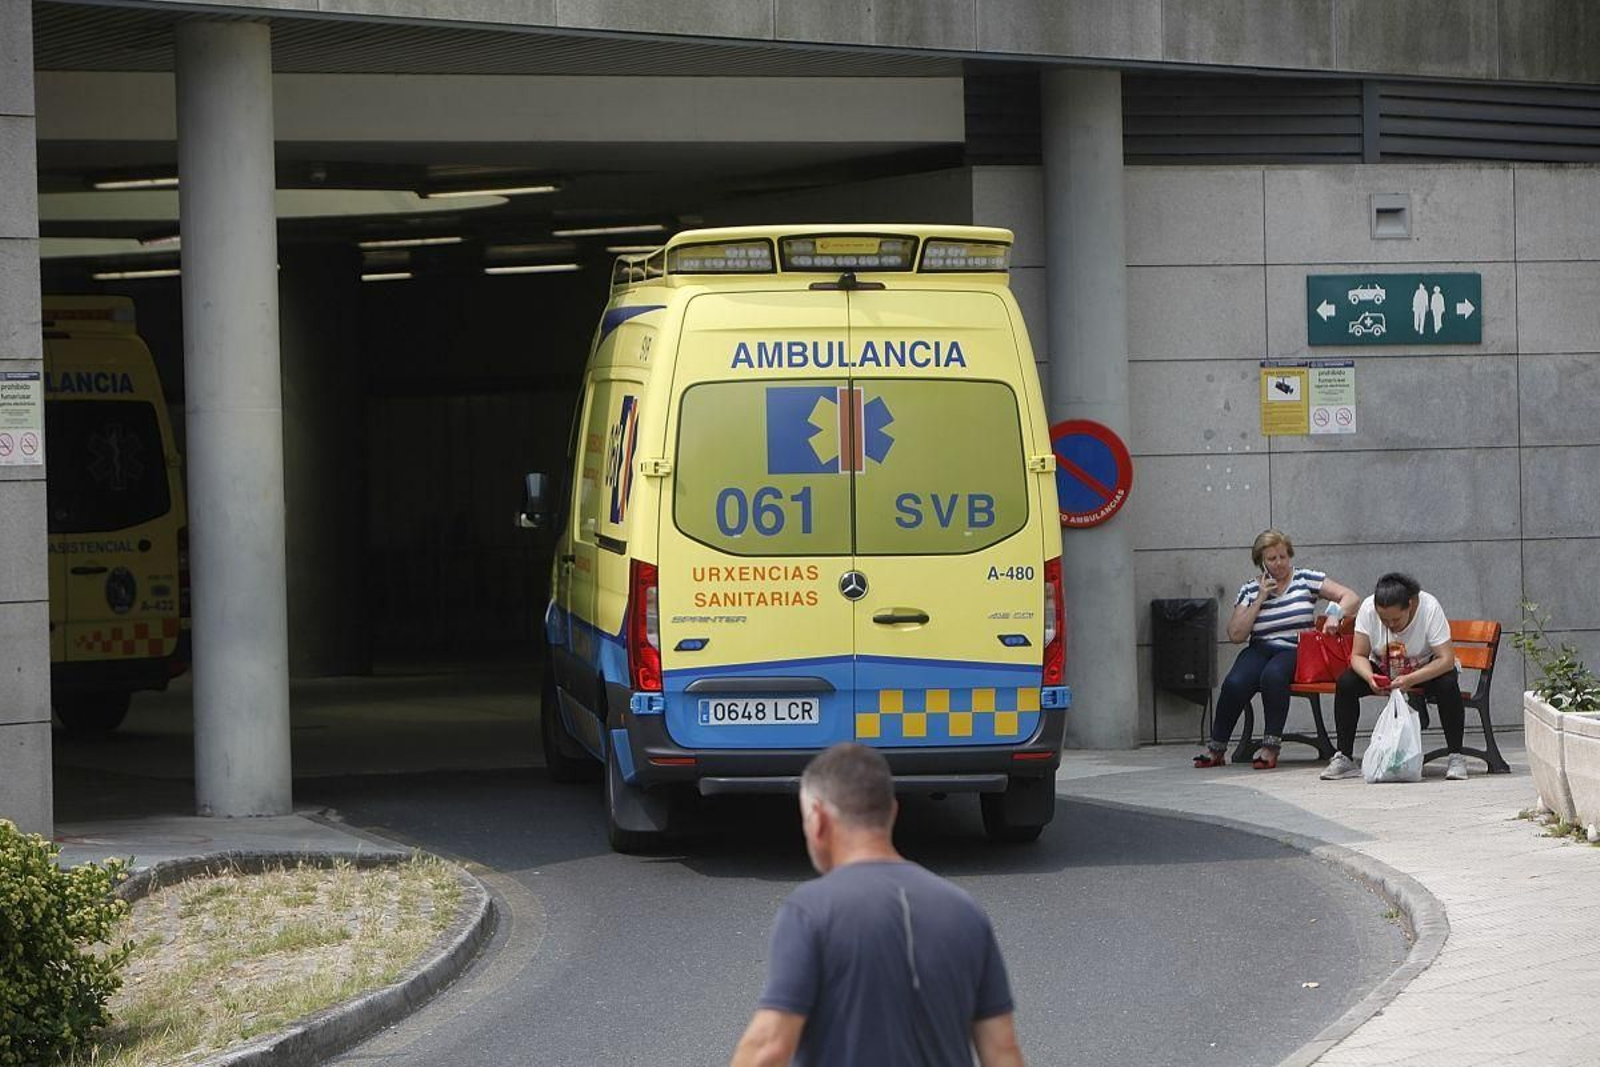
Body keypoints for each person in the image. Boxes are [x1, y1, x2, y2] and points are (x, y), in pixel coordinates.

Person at [729, 743, 1024, 1067]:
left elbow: (768, 1047)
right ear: (892, 812)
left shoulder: (810, 911)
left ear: (818, 820)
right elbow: (1002, 1051)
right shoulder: (965, 911)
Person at [1194, 530, 1358, 770]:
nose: (1279, 563)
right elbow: (1236, 635)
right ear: (1261, 561)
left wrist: (1335, 614)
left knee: (1273, 676)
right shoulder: (1250, 589)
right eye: (1272, 559)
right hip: (1259, 647)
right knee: (1235, 682)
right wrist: (1260, 598)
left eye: (1283, 556)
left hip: (1295, 647)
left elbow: (1350, 596)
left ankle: (1271, 746)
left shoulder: (1305, 578)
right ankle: (1217, 748)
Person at [1320, 572, 1470, 782]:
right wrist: (1370, 677)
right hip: (1384, 668)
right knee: (1346, 683)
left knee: (1447, 683)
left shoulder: (1429, 607)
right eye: (1384, 620)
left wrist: (1412, 679)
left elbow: (1445, 659)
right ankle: (1344, 756)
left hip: (1425, 668)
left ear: (1410, 604)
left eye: (1396, 619)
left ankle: (1456, 756)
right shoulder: (1368, 608)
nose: (1390, 625)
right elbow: (1358, 655)